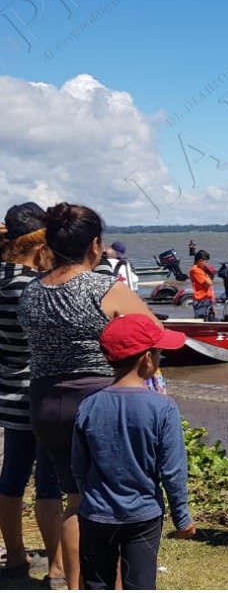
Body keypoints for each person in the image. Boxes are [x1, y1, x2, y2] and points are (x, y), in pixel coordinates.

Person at [18, 202, 163, 590]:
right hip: (98, 402)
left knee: (75, 499)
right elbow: (153, 332)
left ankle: (75, 584)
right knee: (109, 502)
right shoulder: (104, 287)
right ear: (95, 246)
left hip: (46, 401)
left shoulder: (31, 292)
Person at [73, 314, 197, 589]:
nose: (160, 357)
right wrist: (182, 517)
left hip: (96, 514)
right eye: (159, 352)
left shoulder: (89, 405)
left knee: (96, 584)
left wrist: (91, 497)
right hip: (143, 516)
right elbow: (173, 470)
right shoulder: (163, 408)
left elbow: (79, 467)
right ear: (147, 360)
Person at [0, 202, 64, 586]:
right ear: (40, 246)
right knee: (50, 482)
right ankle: (57, 565)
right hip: (40, 394)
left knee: (11, 478)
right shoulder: (36, 287)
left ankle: (15, 558)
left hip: (7, 391)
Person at [189, 249, 216, 319]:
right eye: (206, 262)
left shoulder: (201, 270)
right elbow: (208, 283)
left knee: (209, 320)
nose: (206, 264)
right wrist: (209, 275)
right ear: (200, 260)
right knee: (201, 321)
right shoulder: (196, 270)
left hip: (206, 299)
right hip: (200, 300)